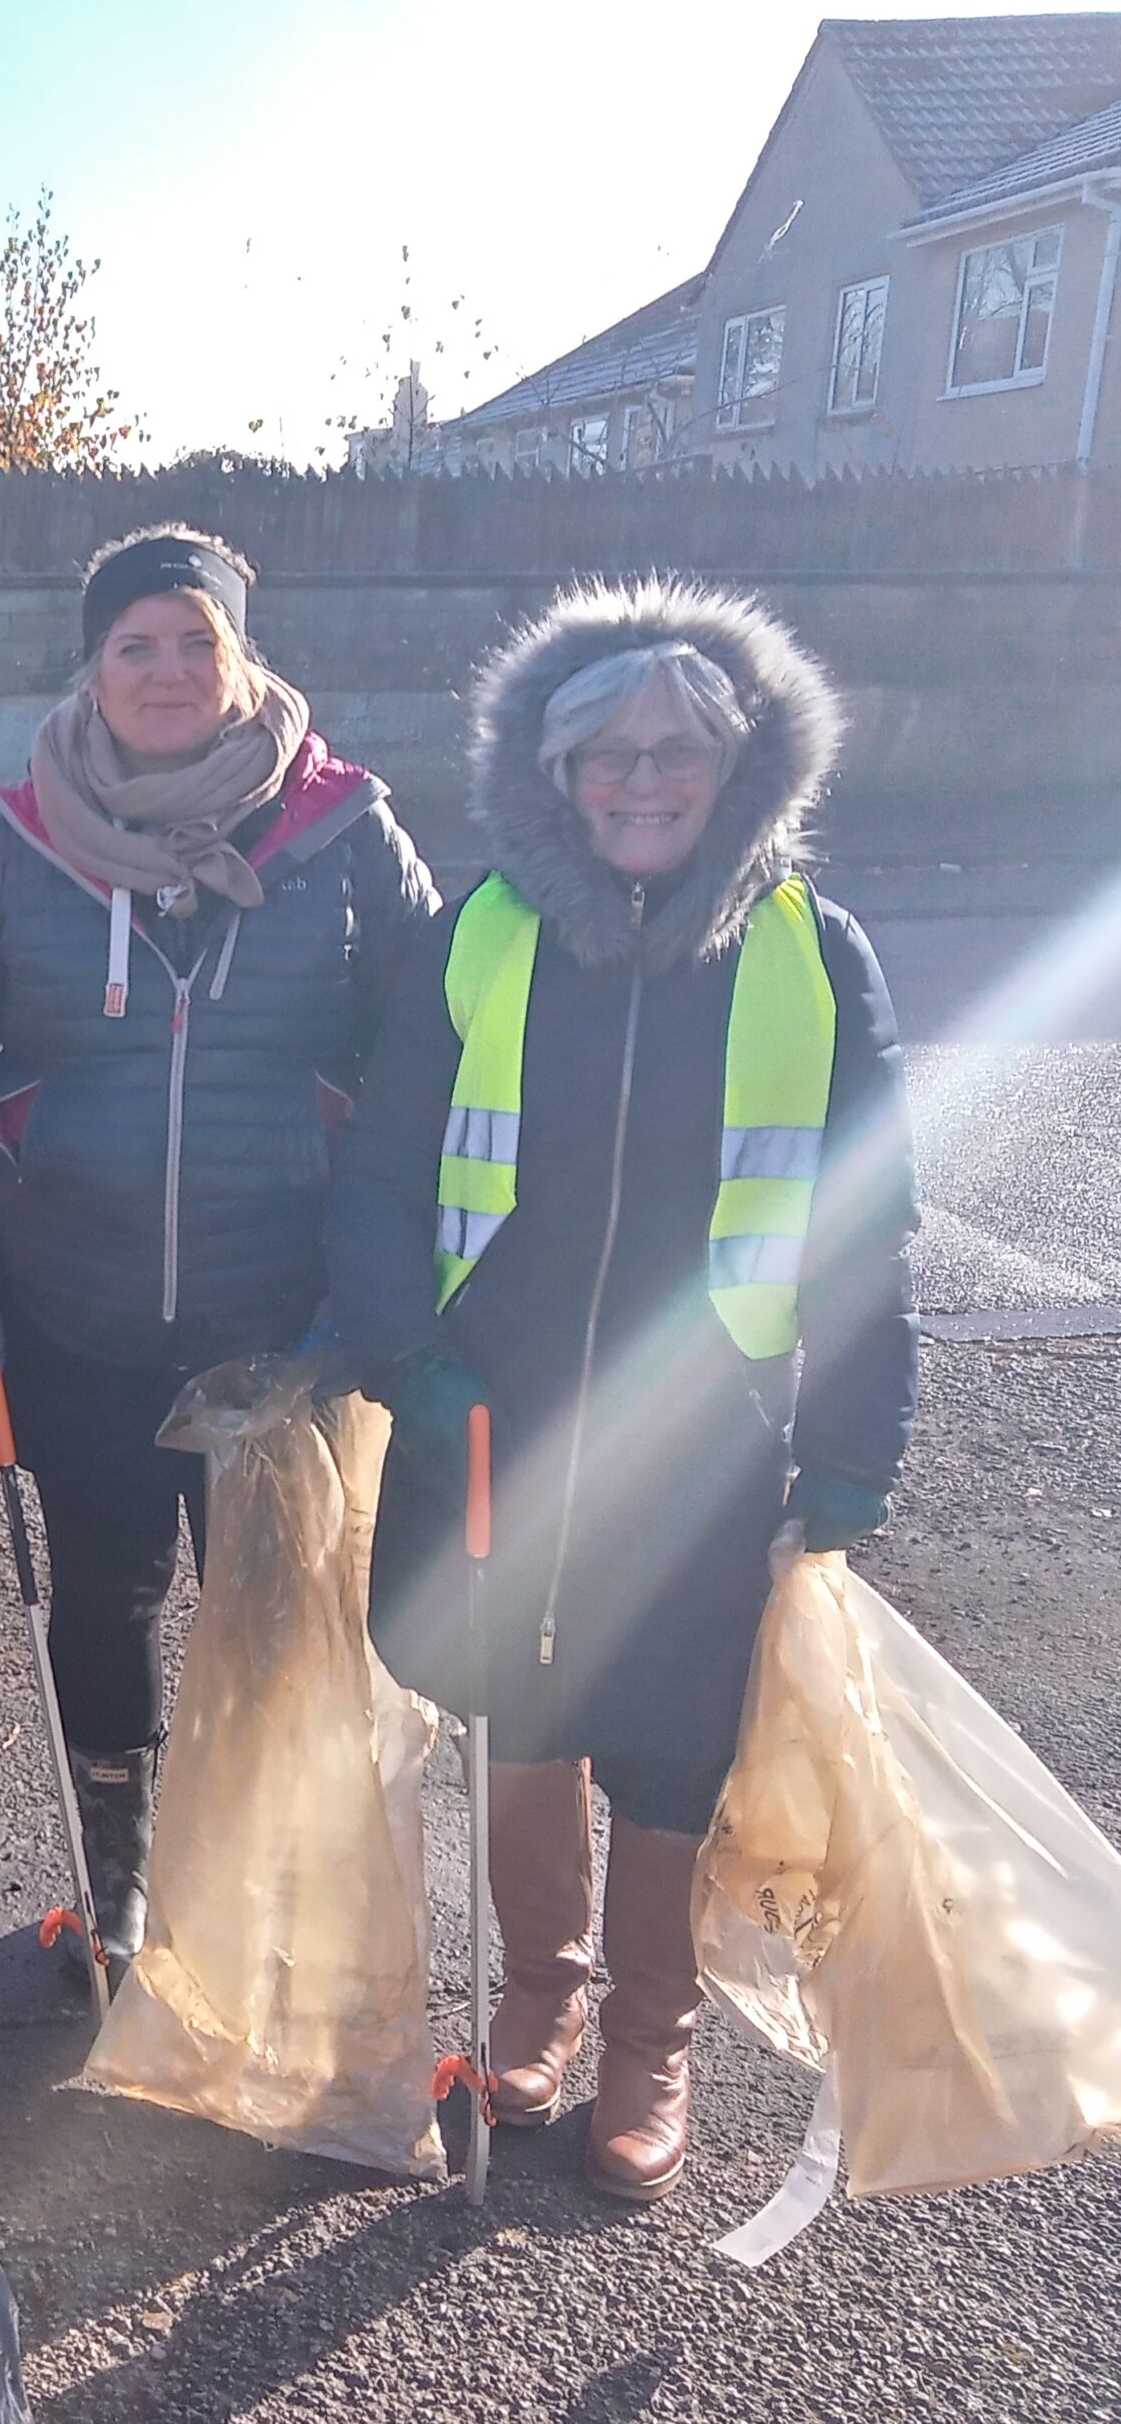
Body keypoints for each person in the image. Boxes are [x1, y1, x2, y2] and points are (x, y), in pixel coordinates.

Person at [325, 580, 918, 2201]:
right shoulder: (486, 930)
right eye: (610, 755)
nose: (644, 780)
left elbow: (868, 1219)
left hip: (706, 1426)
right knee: (522, 1700)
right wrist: (402, 1354)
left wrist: (855, 1442)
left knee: (670, 1739)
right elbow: (382, 1168)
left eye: (681, 752)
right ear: (556, 771)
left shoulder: (810, 949)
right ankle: (545, 1986)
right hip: (497, 1408)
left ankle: (652, 2035)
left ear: (742, 770)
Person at [0, 524, 438, 1969]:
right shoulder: (14, 847)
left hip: (288, 1312)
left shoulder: (345, 830)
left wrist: (385, 1278)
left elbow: (433, 1044)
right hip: (70, 1304)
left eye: (198, 639)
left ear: (244, 656)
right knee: (104, 1594)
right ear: (94, 664)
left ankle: (259, 1870)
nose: (169, 668)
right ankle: (118, 1866)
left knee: (279, 1617)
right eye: (136, 643)